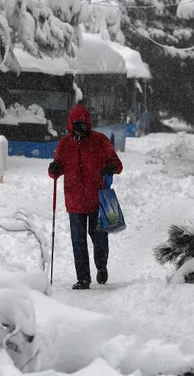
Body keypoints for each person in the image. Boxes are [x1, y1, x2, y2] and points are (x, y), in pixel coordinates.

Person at [48, 103, 123, 290]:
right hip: (74, 202)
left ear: (88, 123)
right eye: (77, 124)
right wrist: (53, 169)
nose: (80, 128)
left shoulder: (100, 140)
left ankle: (101, 265)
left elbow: (117, 163)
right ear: (70, 124)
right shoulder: (64, 144)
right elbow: (56, 170)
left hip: (97, 199)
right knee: (78, 241)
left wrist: (111, 167)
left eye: (83, 123)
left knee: (99, 238)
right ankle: (83, 278)